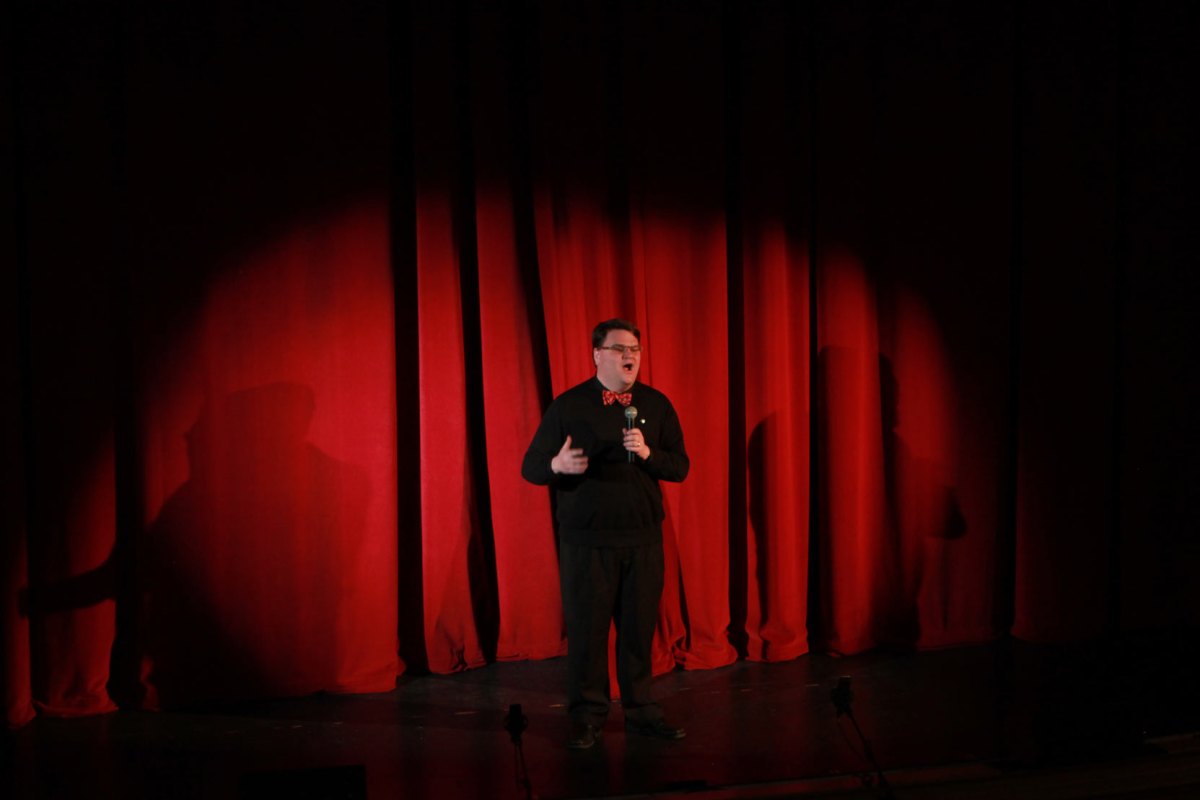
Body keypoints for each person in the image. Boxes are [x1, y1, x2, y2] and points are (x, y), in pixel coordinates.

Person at [522, 318, 690, 750]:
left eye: (634, 349)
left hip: (643, 540)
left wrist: (648, 453)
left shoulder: (655, 404)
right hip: (587, 542)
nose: (629, 356)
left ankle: (641, 711)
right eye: (619, 349)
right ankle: (588, 717)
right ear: (597, 354)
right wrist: (557, 466)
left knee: (638, 632)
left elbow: (680, 467)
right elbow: (531, 466)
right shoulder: (568, 406)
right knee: (588, 635)